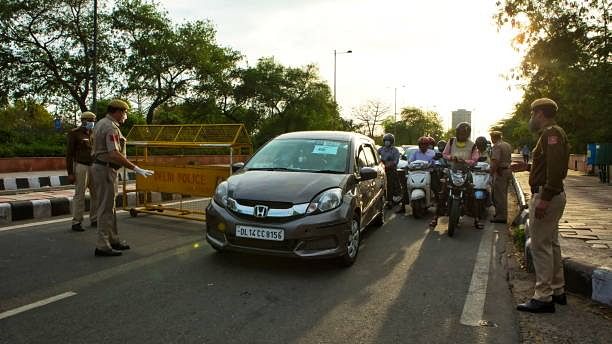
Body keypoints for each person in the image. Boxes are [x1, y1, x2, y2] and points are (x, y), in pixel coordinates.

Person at [515, 98, 569, 313]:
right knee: (552, 244)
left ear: (539, 113)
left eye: (532, 114)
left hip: (548, 196)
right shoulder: (552, 133)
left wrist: (544, 198)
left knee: (540, 246)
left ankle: (543, 297)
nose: (531, 118)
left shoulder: (551, 133)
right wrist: (528, 167)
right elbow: (549, 166)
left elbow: (555, 171)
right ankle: (557, 290)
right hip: (553, 194)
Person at [91, 99, 154, 257]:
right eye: (125, 112)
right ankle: (102, 245)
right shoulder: (110, 127)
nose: (125, 116)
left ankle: (113, 239)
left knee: (110, 207)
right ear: (118, 112)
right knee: (106, 208)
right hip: (105, 169)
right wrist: (135, 168)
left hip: (103, 168)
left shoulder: (101, 123)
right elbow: (114, 153)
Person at [439, 122, 482, 229]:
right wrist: (451, 158)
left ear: (467, 134)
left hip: (466, 172)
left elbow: (475, 159)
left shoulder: (472, 145)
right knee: (443, 192)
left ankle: (476, 220)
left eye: (464, 133)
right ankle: (435, 217)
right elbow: (444, 154)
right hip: (452, 170)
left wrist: (466, 161)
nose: (461, 135)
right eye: (460, 133)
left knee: (472, 194)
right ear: (457, 133)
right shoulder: (451, 141)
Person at [66, 111, 98, 232]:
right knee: (79, 195)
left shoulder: (94, 133)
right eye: (90, 120)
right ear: (83, 121)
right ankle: (77, 221)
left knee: (96, 194)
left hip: (94, 166)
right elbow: (69, 154)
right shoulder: (74, 134)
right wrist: (70, 172)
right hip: (81, 166)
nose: (92, 123)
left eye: (93, 120)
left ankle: (94, 219)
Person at [489, 131, 512, 223]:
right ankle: (500, 213)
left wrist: (491, 172)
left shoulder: (497, 146)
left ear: (493, 138)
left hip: (500, 172)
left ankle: (501, 216)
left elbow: (496, 161)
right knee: (503, 194)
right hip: (507, 170)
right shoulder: (507, 145)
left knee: (498, 195)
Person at [378, 133, 401, 208]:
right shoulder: (381, 149)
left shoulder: (395, 150)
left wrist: (388, 164)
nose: (386, 142)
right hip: (381, 170)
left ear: (391, 142)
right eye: (385, 141)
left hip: (391, 170)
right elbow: (376, 156)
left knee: (390, 185)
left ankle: (390, 201)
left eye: (388, 141)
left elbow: (395, 161)